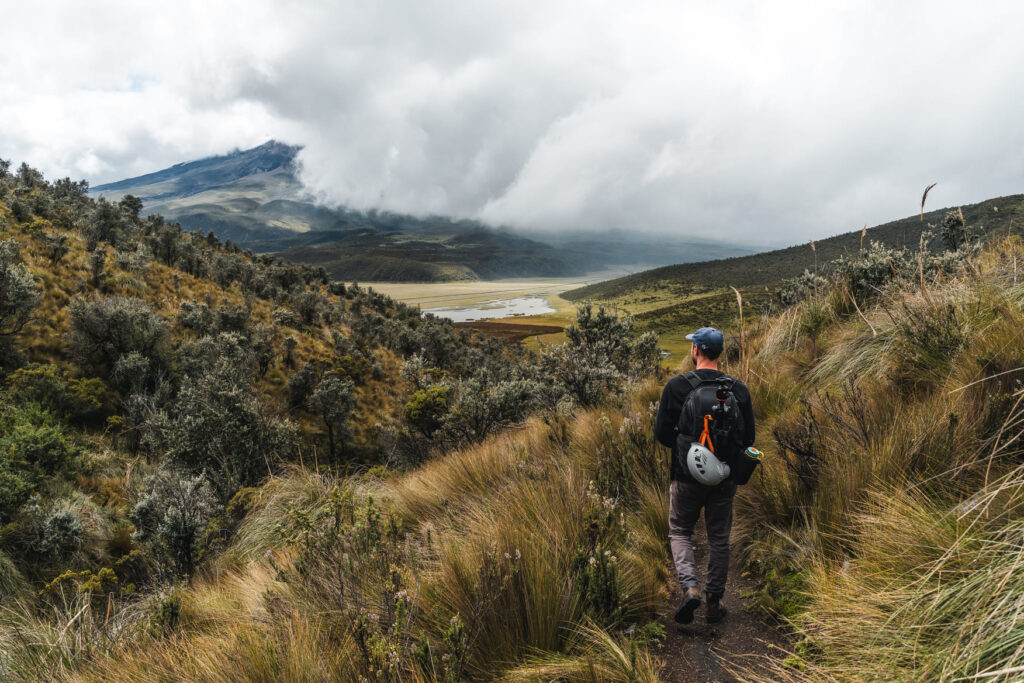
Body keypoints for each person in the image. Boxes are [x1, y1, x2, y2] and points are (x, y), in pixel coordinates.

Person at [654, 326, 755, 625]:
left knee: (680, 530)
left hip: (685, 476)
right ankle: (714, 599)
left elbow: (662, 434)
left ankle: (690, 588)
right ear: (719, 352)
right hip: (725, 477)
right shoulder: (739, 390)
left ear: (695, 350)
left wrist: (689, 450)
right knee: (719, 536)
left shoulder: (676, 387)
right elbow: (748, 438)